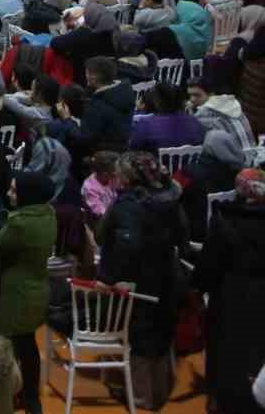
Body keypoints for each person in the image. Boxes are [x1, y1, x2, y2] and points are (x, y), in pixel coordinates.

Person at [97, 151, 188, 408]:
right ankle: (158, 392)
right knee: (160, 334)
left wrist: (109, 278)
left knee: (139, 338)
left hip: (137, 283)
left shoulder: (128, 205)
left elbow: (125, 244)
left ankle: (142, 398)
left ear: (128, 177)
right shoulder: (171, 199)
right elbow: (183, 235)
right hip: (167, 276)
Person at [193, 167, 265, 414]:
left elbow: (208, 266)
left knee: (225, 352)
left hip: (229, 296)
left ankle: (219, 401)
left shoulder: (225, 219)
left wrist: (197, 290)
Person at [0, 171, 56, 414]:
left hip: (13, 294)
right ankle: (31, 399)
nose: (9, 194)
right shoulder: (48, 214)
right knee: (27, 345)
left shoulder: (19, 223)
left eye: (14, 190)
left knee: (2, 348)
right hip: (37, 289)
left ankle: (4, 397)